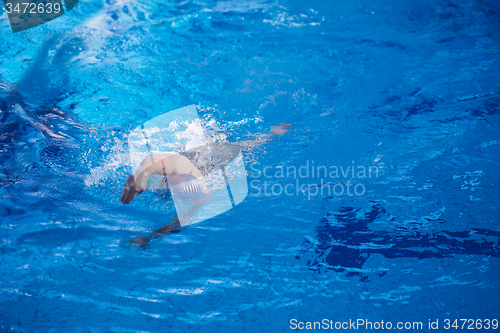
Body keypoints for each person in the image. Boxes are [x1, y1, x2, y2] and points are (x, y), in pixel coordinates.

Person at [121, 121, 292, 245]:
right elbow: (155, 161)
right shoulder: (185, 171)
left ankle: (271, 134)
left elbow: (176, 224)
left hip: (211, 163)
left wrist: (149, 238)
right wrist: (140, 176)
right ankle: (270, 135)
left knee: (247, 148)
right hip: (200, 159)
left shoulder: (202, 196)